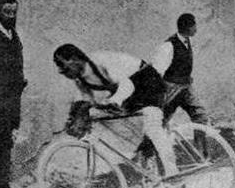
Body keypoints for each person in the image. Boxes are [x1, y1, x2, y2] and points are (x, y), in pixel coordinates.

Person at [53, 44, 178, 177]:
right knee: (109, 122)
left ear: (74, 60)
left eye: (65, 68)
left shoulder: (101, 60)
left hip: (147, 83)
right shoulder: (80, 80)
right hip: (128, 93)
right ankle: (145, 159)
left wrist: (114, 100)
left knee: (153, 127)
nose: (64, 73)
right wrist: (76, 119)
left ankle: (173, 172)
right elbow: (86, 101)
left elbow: (126, 84)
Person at [0, 0, 28, 188]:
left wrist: (20, 81)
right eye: (6, 12)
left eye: (13, 12)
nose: (11, 16)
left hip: (11, 99)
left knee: (6, 140)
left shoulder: (13, 35)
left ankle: (2, 186)